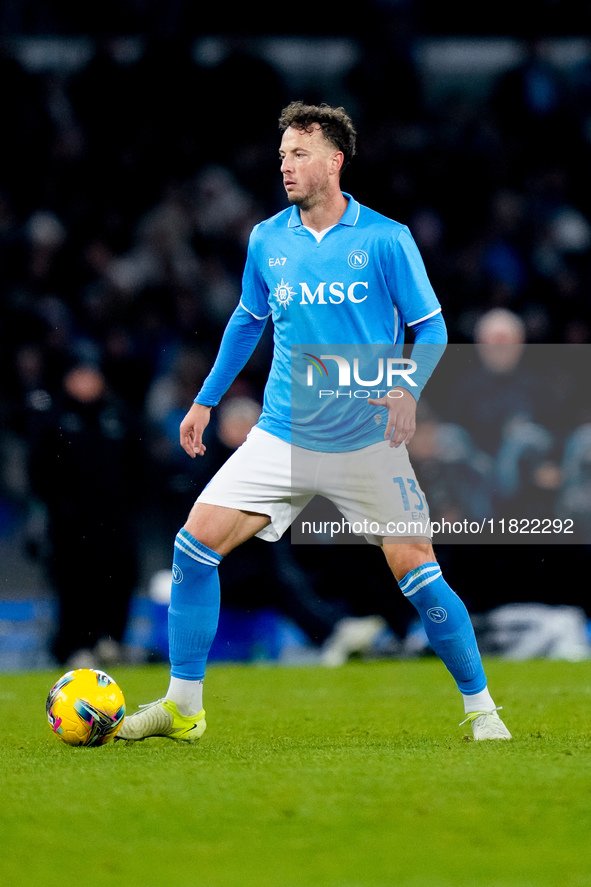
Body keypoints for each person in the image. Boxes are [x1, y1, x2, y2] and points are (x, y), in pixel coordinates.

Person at [118, 102, 511, 743]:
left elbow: (432, 327)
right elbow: (248, 321)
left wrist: (407, 389)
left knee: (420, 574)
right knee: (192, 549)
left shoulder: (386, 239)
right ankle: (183, 707)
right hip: (282, 433)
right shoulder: (267, 238)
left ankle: (483, 710)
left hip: (366, 440)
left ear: (335, 160)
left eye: (299, 154)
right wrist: (206, 400)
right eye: (281, 155)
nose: (286, 165)